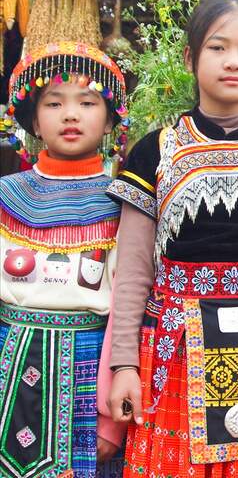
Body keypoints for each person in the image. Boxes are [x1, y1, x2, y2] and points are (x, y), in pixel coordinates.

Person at [105, 0, 238, 477]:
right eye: (218, 48)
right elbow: (135, 268)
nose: (233, 62)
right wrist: (124, 367)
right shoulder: (154, 152)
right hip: (176, 348)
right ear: (190, 58)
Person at [0, 41, 129, 476]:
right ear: (33, 118)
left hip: (90, 364)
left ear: (110, 118)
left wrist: (112, 417)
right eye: (54, 102)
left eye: (87, 102)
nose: (70, 115)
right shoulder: (6, 196)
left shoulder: (124, 204)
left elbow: (129, 307)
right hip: (8, 356)